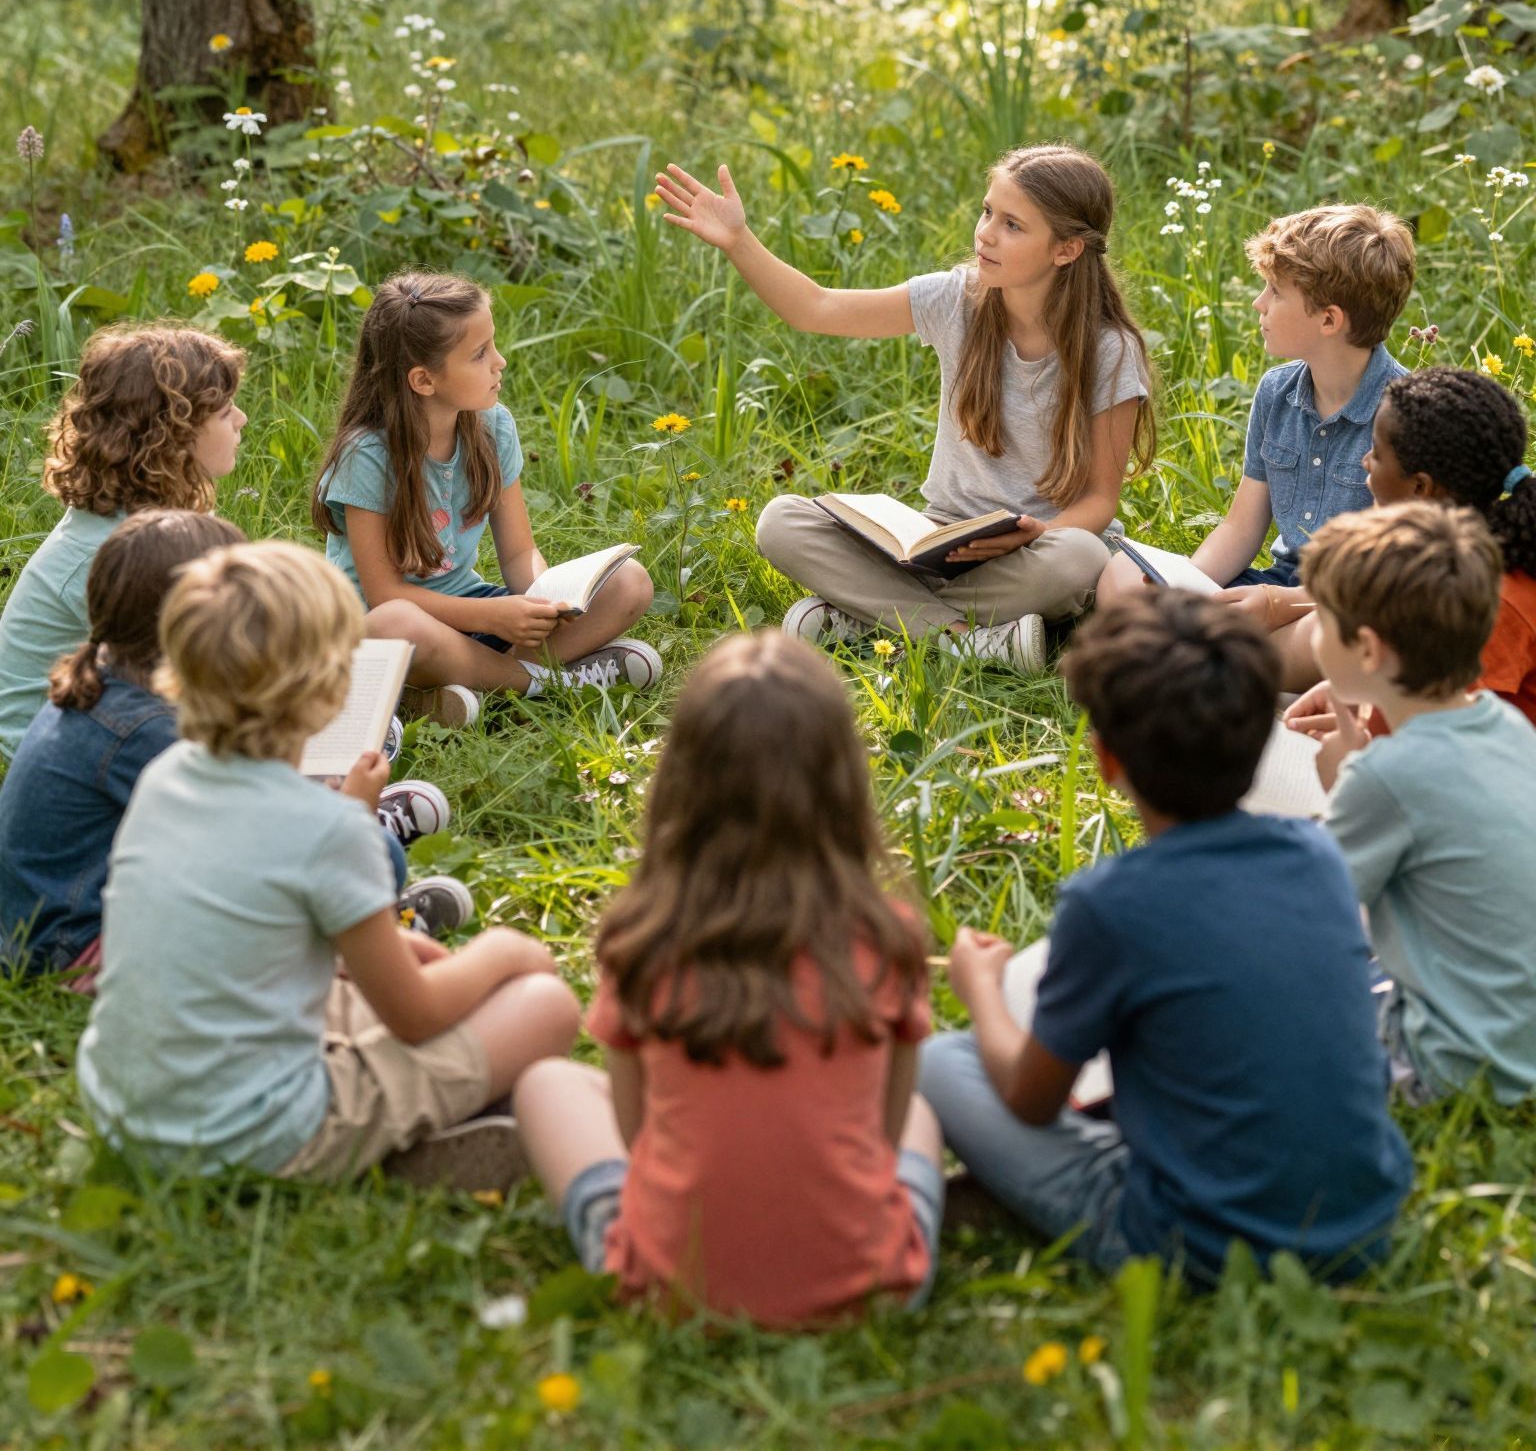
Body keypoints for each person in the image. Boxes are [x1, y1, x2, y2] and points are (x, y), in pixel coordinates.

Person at [919, 590, 1412, 1284]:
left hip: (1202, 1246)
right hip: (1364, 1223)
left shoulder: (1111, 904)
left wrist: (981, 992)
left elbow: (1031, 1098)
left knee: (942, 1060)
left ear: (1106, 758)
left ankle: (996, 1197)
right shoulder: (1323, 857)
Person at [77, 542, 580, 1188]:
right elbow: (416, 1016)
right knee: (543, 1000)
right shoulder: (327, 827)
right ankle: (395, 1148)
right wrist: (506, 951)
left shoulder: (167, 775)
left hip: (124, 1112)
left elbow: (258, 926)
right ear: (333, 689)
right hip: (248, 1137)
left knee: (395, 983)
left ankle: (421, 1122)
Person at [513, 631, 945, 1326]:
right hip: (872, 1293)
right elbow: (888, 1133)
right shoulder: (886, 938)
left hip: (670, 1294)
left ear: (682, 786)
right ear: (842, 787)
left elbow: (634, 1136)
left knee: (546, 1084)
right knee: (926, 1111)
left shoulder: (644, 938)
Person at [656, 146, 1153, 673]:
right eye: (988, 212)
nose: (985, 233)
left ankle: (869, 615)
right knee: (782, 521)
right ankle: (962, 637)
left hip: (1033, 554)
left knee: (1083, 558)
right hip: (935, 541)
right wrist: (738, 240)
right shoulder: (955, 299)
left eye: (1012, 225)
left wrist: (1034, 534)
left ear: (1067, 250)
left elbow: (1099, 500)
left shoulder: (1110, 351)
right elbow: (816, 308)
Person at [0, 511, 462, 984]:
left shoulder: (109, 676)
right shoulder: (144, 728)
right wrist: (353, 822)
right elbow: (252, 843)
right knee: (379, 858)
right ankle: (359, 935)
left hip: (66, 911)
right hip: (79, 948)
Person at [312, 271, 659, 727]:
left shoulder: (492, 427)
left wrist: (542, 602)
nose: (500, 362)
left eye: (492, 345)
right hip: (380, 633)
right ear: (423, 380)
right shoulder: (369, 456)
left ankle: (457, 694)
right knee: (400, 623)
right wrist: (492, 616)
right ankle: (545, 682)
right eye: (479, 354)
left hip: (471, 617)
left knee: (630, 583)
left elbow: (518, 552)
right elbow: (384, 595)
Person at [1097, 203, 1415, 690]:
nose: (1258, 304)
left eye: (1275, 292)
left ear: (1329, 320)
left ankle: (1191, 670)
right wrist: (1186, 591)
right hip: (1268, 589)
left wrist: (1279, 606)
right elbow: (1241, 527)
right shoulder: (1277, 391)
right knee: (1122, 574)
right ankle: (1209, 668)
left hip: (1339, 606)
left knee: (1335, 637)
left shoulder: (1406, 415)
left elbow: (1395, 580)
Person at [1302, 502, 1536, 1104]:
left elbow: (1305, 918)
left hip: (1455, 1069)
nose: (1314, 639)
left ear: (1370, 652)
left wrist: (1343, 786)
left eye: (1322, 623)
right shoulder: (1509, 728)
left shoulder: (1384, 776)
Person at [0, 324, 247, 756]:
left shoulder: (150, 516)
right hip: (60, 744)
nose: (242, 419)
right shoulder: (116, 550)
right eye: (225, 413)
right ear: (173, 436)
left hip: (112, 712)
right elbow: (199, 670)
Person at [1287, 368, 1536, 732]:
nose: (1365, 462)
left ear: (1420, 487)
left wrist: (1369, 729)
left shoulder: (1496, 601)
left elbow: (1458, 734)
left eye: (1377, 453)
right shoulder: (1458, 560)